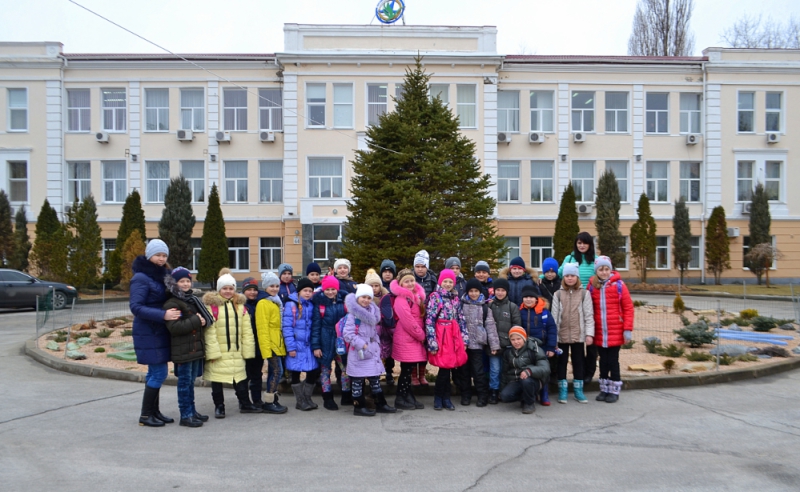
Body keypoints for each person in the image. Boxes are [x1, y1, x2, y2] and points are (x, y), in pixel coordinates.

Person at [131, 239, 180, 427]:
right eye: (158, 255)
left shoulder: (163, 275)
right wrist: (163, 315)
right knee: (159, 373)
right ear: (149, 255)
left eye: (164, 255)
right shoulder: (141, 278)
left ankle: (154, 411)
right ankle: (145, 415)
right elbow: (136, 307)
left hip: (159, 330)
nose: (161, 258)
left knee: (154, 372)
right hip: (148, 331)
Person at [203, 270, 261, 418]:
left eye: (231, 288)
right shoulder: (212, 307)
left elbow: (247, 331)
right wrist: (213, 352)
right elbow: (210, 332)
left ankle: (245, 403)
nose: (228, 291)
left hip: (236, 350)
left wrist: (248, 351)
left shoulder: (240, 307)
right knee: (217, 380)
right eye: (225, 288)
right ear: (219, 289)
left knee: (240, 378)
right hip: (219, 351)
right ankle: (219, 406)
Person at [162, 266, 214, 428]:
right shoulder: (172, 303)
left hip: (194, 348)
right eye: (181, 281)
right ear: (174, 283)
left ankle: (192, 411)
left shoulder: (191, 300)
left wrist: (201, 321)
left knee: (191, 382)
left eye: (188, 281)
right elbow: (175, 327)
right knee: (184, 383)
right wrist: (197, 320)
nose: (185, 284)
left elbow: (201, 319)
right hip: (183, 350)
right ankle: (185, 414)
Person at [343, 284, 398, 416]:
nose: (366, 300)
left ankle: (380, 403)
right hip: (359, 353)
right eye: (363, 297)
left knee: (375, 379)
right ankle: (359, 406)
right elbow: (348, 334)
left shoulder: (372, 313)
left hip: (371, 351)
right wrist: (363, 345)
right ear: (357, 297)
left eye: (369, 298)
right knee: (357, 380)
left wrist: (376, 344)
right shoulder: (353, 315)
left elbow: (373, 332)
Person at [588, 256, 634, 403]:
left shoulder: (619, 285)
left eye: (606, 269)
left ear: (610, 270)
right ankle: (604, 388)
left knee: (613, 360)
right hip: (599, 331)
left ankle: (614, 390)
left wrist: (627, 329)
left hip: (615, 330)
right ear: (596, 271)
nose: (604, 272)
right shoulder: (592, 286)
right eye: (601, 269)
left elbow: (628, 308)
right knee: (602, 361)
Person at [551, 263, 595, 404]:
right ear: (564, 277)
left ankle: (578, 390)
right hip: (562, 335)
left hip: (578, 335)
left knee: (578, 362)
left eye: (573, 276)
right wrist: (554, 337)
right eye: (567, 276)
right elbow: (554, 317)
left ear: (577, 277)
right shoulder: (558, 294)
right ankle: (562, 390)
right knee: (561, 363)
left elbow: (588, 315)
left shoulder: (584, 294)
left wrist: (589, 334)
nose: (570, 278)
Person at [425, 269, 468, 411]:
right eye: (445, 281)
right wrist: (432, 342)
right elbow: (430, 320)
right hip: (442, 335)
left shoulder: (455, 298)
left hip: (453, 336)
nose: (448, 284)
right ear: (440, 282)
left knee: (449, 368)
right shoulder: (435, 297)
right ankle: (439, 397)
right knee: (444, 368)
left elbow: (461, 319)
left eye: (450, 281)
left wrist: (464, 339)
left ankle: (446, 397)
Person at [559, 232, 598, 385]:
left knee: (591, 342)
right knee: (577, 344)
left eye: (585, 243)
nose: (582, 246)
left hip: (590, 302)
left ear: (590, 244)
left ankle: (588, 373)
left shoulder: (595, 260)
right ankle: (578, 375)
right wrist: (540, 278)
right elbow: (559, 273)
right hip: (573, 303)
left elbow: (602, 276)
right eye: (579, 243)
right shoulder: (569, 259)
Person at [389, 269, 428, 410]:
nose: (410, 283)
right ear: (400, 284)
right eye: (407, 281)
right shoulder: (401, 299)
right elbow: (408, 321)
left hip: (413, 338)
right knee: (406, 370)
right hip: (407, 338)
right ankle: (400, 397)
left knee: (408, 369)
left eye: (412, 280)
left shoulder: (415, 297)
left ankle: (408, 395)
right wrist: (421, 335)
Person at [457, 278, 499, 407]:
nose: (473, 293)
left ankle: (482, 395)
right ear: (467, 292)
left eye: (476, 291)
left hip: (478, 344)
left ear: (480, 292)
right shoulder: (461, 306)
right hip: (463, 345)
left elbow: (491, 327)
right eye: (471, 291)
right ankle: (466, 395)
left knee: (478, 371)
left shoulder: (485, 308)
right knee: (464, 371)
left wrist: (494, 345)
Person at [311, 275, 350, 410]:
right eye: (327, 289)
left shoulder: (344, 302)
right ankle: (327, 397)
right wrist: (316, 346)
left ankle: (346, 394)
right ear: (323, 290)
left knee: (345, 368)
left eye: (333, 289)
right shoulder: (319, 304)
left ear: (337, 289)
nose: (330, 292)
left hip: (340, 340)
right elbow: (316, 326)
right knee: (325, 370)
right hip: (325, 340)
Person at [253, 272, 288, 414]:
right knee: (277, 371)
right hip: (271, 344)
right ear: (265, 287)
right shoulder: (263, 303)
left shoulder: (275, 301)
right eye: (271, 286)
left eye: (276, 286)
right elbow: (262, 328)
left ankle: (272, 398)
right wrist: (266, 350)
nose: (274, 289)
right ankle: (268, 402)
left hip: (277, 343)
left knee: (275, 371)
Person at [283, 277, 320, 411]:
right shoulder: (291, 305)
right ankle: (300, 401)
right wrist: (291, 347)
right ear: (299, 291)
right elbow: (287, 327)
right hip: (296, 345)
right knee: (295, 372)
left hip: (309, 344)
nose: (308, 293)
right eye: (305, 290)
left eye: (310, 291)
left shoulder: (311, 304)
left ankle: (307, 398)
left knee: (313, 371)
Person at [518, 285, 557, 406]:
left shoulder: (544, 312)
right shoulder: (519, 311)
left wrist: (551, 347)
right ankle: (532, 393)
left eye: (531, 297)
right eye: (526, 297)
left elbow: (552, 329)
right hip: (525, 347)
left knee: (543, 370)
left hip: (542, 346)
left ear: (536, 298)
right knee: (528, 370)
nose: (528, 299)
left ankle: (544, 393)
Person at [500, 327, 550, 414]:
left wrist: (530, 371)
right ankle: (526, 397)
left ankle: (529, 403)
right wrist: (502, 390)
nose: (516, 342)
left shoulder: (534, 349)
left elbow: (545, 368)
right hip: (516, 380)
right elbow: (505, 372)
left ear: (524, 338)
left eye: (518, 339)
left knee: (526, 381)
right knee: (504, 396)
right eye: (513, 340)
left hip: (533, 379)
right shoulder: (508, 352)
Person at [487, 277, 521, 404]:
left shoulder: (512, 307)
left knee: (505, 370)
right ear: (494, 291)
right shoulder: (490, 305)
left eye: (503, 290)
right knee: (494, 370)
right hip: (493, 345)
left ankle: (503, 391)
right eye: (498, 290)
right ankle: (494, 391)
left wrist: (513, 342)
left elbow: (517, 325)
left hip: (508, 345)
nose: (500, 293)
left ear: (507, 292)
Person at [241, 277, 271, 411]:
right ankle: (244, 402)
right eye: (249, 290)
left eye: (254, 290)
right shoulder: (240, 305)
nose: (252, 292)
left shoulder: (261, 302)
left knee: (257, 374)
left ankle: (257, 400)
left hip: (258, 344)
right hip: (245, 345)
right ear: (244, 291)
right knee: (244, 375)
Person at [366, 269, 395, 385]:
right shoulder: (365, 299)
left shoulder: (386, 297)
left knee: (388, 353)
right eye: (371, 286)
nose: (374, 288)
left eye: (376, 285)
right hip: (373, 331)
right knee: (374, 354)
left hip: (386, 330)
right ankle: (374, 376)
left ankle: (389, 373)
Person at [412, 249, 437, 386]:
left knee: (424, 348)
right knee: (413, 347)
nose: (420, 269)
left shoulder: (432, 279)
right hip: (413, 317)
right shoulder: (410, 278)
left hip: (427, 318)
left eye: (423, 266)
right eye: (417, 266)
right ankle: (413, 375)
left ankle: (422, 374)